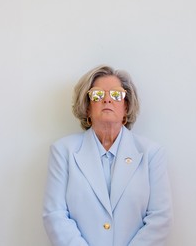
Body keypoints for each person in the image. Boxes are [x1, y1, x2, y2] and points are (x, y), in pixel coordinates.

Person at [43, 65, 172, 245]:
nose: (107, 100)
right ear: (87, 107)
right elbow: (55, 214)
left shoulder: (151, 153)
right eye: (97, 95)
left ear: (126, 106)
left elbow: (160, 217)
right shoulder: (63, 151)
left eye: (116, 95)